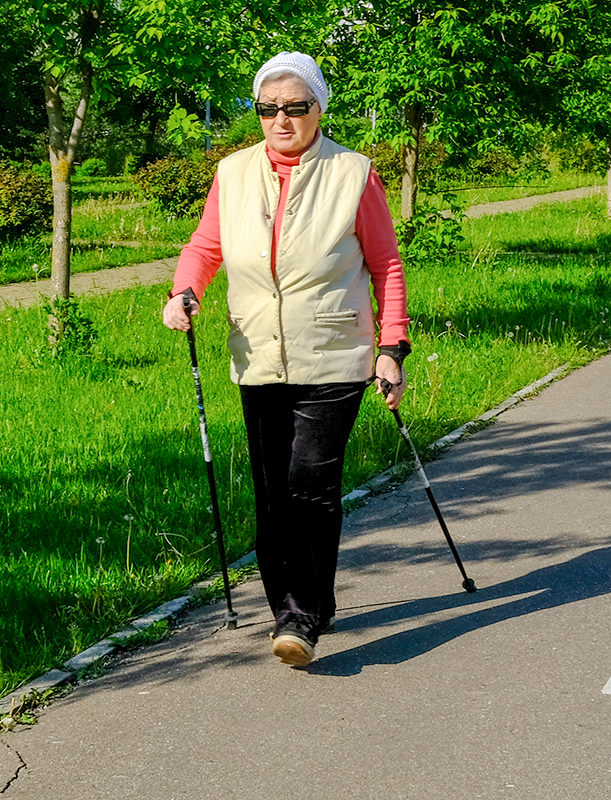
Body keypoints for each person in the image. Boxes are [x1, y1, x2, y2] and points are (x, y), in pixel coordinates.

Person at [162, 51, 411, 668]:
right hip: (258, 356)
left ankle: (305, 612)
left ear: (318, 109)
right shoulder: (234, 172)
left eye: (294, 107)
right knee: (272, 490)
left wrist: (391, 346)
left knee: (311, 483)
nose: (280, 119)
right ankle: (288, 606)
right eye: (267, 108)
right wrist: (184, 291)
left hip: (334, 355)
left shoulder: (354, 174)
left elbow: (386, 264)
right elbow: (205, 245)